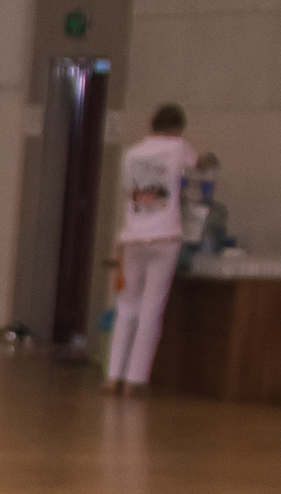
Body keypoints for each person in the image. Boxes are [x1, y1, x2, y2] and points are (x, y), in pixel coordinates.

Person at [107, 104, 199, 395]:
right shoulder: (178, 148)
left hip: (133, 237)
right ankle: (135, 380)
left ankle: (112, 377)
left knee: (125, 308)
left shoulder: (132, 153)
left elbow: (132, 191)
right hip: (164, 237)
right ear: (178, 128)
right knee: (151, 309)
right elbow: (197, 170)